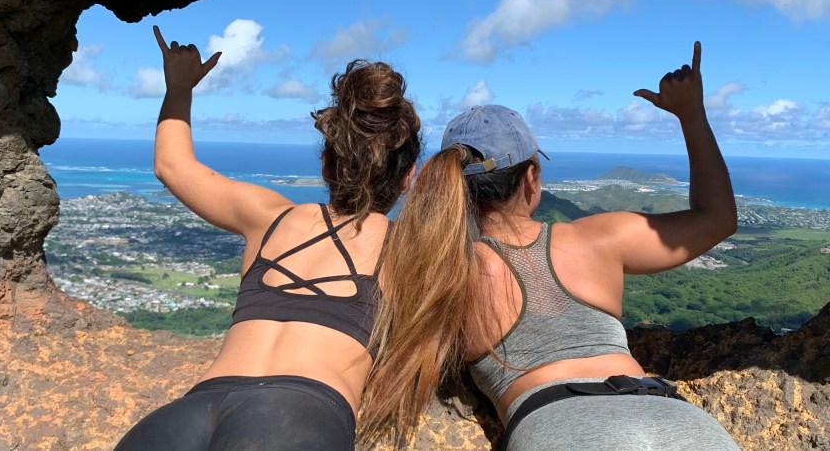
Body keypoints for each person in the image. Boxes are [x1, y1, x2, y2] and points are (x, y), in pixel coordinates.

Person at [358, 41, 741, 450]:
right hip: (672, 418)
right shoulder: (597, 238)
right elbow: (717, 218)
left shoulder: (443, 269)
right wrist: (691, 113)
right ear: (531, 177)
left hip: (557, 425)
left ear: (456, 188)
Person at [114, 26, 422, 451]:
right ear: (408, 177)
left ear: (326, 164)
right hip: (297, 417)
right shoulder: (408, 247)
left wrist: (179, 87)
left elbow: (172, 165)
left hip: (185, 414)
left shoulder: (269, 217)